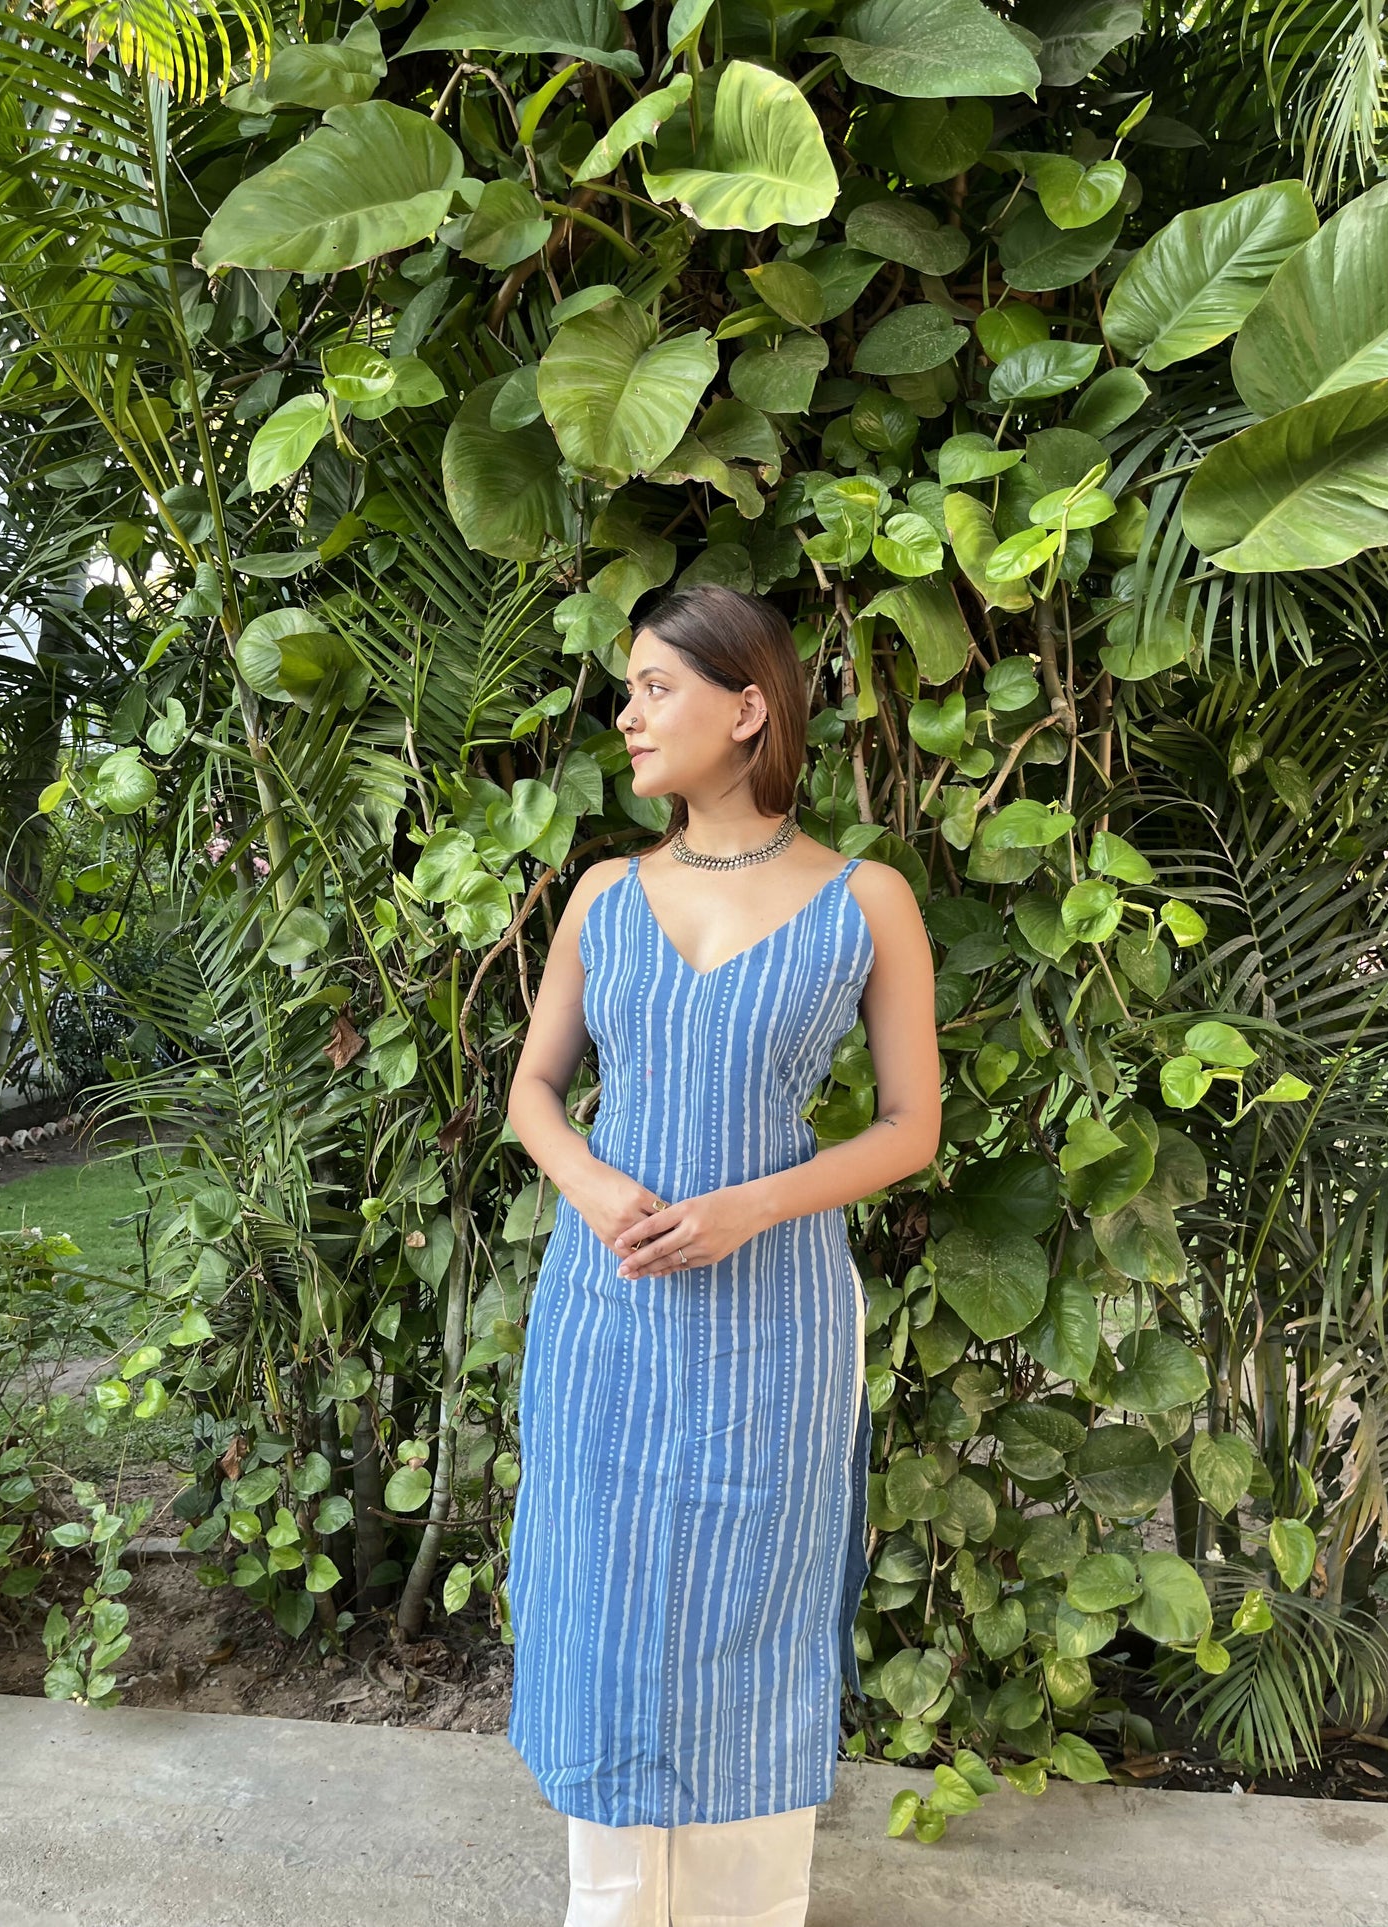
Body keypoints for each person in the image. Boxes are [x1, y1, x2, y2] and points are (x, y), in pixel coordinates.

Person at [505, 584, 942, 1925]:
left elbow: (912, 1127)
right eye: (627, 691)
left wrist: (754, 1206)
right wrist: (593, 1186)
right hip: (608, 1305)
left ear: (748, 707)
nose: (628, 717)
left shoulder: (865, 900)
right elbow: (533, 1090)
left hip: (774, 1320)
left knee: (751, 1600)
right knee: (605, 1593)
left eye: (656, 688)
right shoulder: (602, 895)